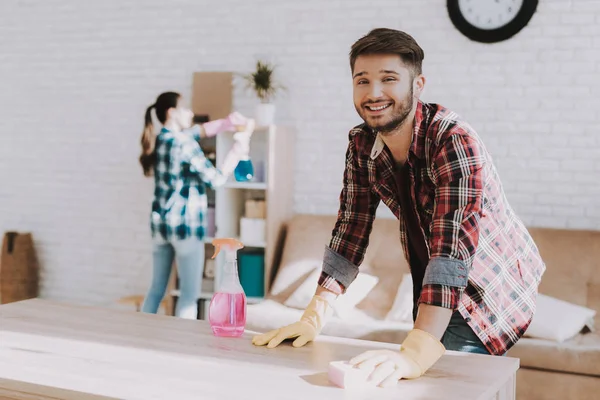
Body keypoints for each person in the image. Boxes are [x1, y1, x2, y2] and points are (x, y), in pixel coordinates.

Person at [252, 28, 546, 387]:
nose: (374, 93)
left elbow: (451, 251)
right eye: (363, 81)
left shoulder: (454, 141)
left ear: (418, 83)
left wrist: (418, 348)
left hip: (487, 290)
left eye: (388, 79)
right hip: (431, 285)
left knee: (439, 388)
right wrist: (315, 313)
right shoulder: (361, 144)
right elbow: (351, 229)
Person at [139, 91, 254, 319]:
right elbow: (216, 179)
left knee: (156, 290)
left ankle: (140, 336)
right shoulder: (183, 143)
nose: (191, 112)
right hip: (185, 227)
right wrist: (238, 148)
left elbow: (196, 132)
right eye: (186, 108)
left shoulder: (161, 138)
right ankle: (184, 347)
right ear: (172, 112)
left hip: (161, 228)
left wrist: (225, 123)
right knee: (189, 295)